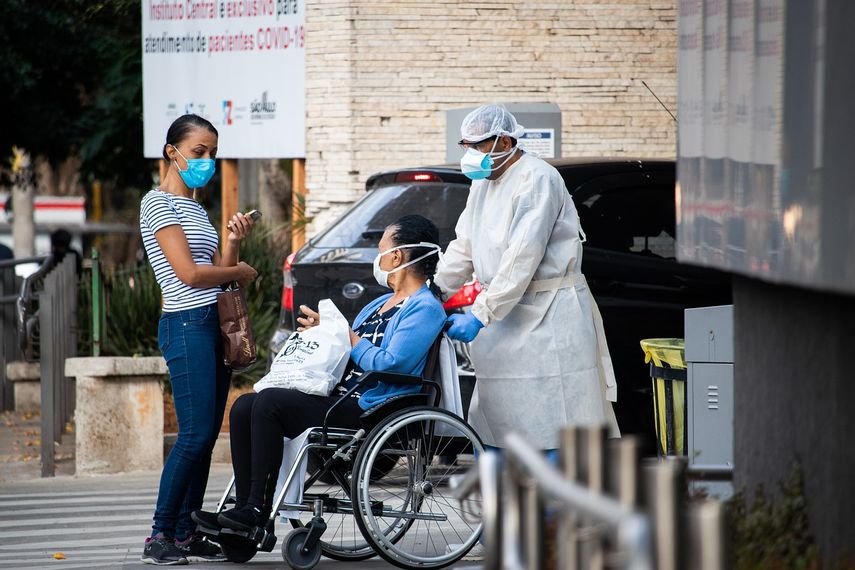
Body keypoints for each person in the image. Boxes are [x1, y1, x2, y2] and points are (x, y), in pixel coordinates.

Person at [192, 214, 446, 531]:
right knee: (245, 405)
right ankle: (244, 509)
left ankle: (258, 509)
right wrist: (326, 331)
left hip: (375, 408)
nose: (378, 258)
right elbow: (347, 349)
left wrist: (348, 336)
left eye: (381, 250)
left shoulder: (425, 308)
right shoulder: (378, 304)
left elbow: (391, 363)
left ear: (397, 256)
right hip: (341, 395)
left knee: (270, 404)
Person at [435, 104, 619, 453]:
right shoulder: (483, 184)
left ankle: (558, 484)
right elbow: (464, 245)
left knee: (555, 416)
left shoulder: (538, 179)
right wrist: (434, 290)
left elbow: (521, 258)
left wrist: (481, 313)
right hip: (503, 319)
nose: (471, 155)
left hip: (547, 317)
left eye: (478, 146)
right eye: (467, 147)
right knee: (500, 419)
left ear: (504, 141)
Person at [139, 113, 259, 565]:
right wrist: (239, 271)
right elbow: (189, 274)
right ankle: (159, 535)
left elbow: (219, 271)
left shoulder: (194, 208)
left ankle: (185, 533)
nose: (207, 160)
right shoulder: (157, 204)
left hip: (213, 324)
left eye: (212, 153)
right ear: (173, 153)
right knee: (192, 435)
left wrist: (233, 242)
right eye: (198, 152)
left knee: (206, 436)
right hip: (185, 324)